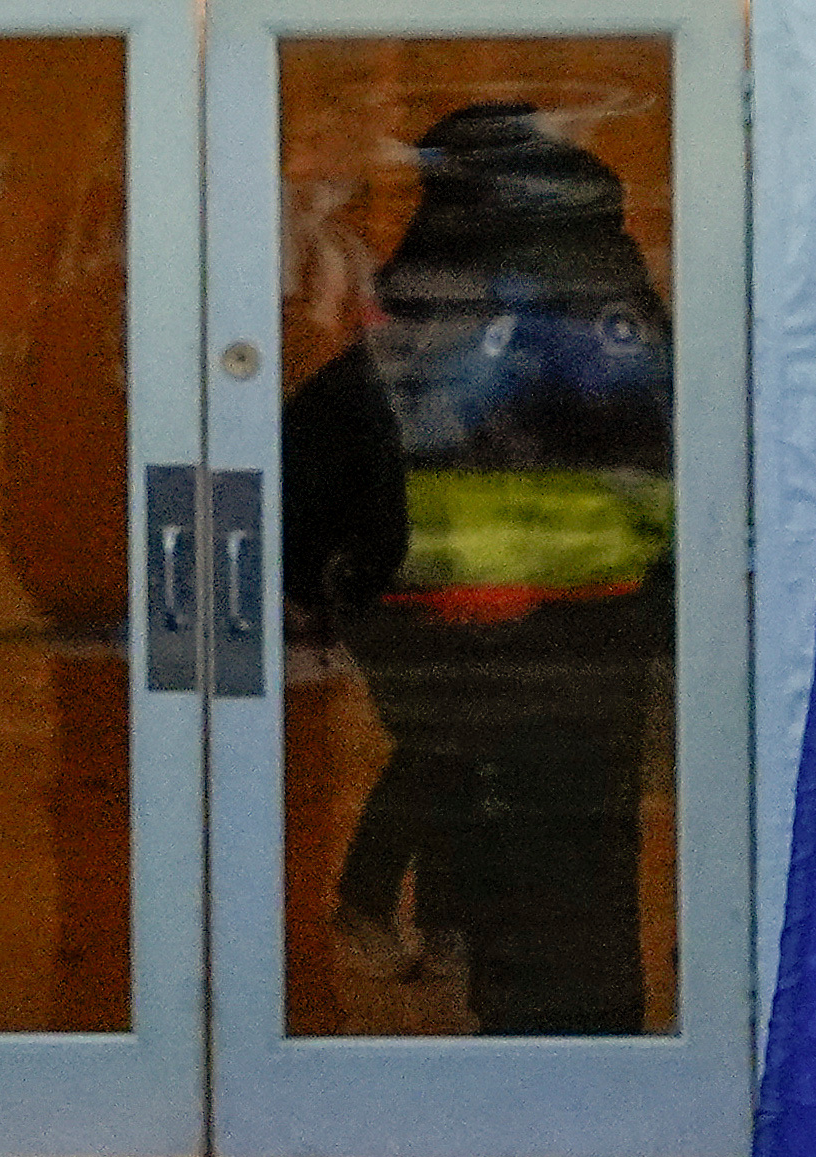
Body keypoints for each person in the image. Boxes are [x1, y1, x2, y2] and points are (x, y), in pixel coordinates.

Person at [283, 103, 678, 1035]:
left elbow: (347, 413)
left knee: (477, 785)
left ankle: (477, 986)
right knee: (563, 829)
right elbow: (665, 438)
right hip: (586, 619)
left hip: (462, 606)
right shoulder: (603, 280)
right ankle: (567, 1037)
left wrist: (316, 568)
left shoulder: (452, 272)